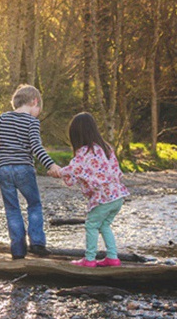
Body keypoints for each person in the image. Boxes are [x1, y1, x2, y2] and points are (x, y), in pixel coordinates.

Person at [0, 84, 62, 260]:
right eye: (38, 109)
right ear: (34, 101)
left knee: (12, 209)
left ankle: (18, 250)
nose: (38, 114)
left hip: (4, 169)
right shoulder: (32, 122)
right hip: (24, 169)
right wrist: (50, 165)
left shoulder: (3, 118)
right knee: (34, 204)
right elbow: (36, 147)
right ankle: (36, 242)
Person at [48, 112, 129, 267]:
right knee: (104, 225)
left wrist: (56, 172)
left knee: (91, 225)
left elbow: (73, 170)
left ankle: (90, 259)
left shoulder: (85, 152)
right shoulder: (106, 148)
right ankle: (112, 257)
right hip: (117, 195)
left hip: (103, 197)